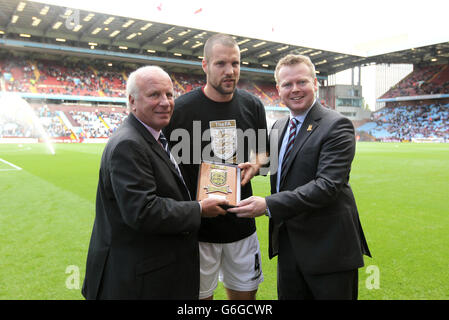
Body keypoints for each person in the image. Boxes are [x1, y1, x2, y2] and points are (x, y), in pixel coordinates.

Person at [228, 54, 371, 300]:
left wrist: (268, 205)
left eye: (301, 82)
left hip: (329, 249)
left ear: (315, 84)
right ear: (278, 90)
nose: (295, 89)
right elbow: (288, 160)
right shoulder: (281, 125)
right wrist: (258, 166)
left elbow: (327, 186)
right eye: (287, 84)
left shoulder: (337, 125)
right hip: (289, 245)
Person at [82, 66, 227, 300]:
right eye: (154, 95)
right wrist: (199, 209)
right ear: (132, 101)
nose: (165, 102)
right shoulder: (128, 144)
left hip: (152, 274)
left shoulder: (152, 136)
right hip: (139, 282)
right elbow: (143, 211)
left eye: (169, 95)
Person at [164, 34, 268, 300]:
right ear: (205, 65)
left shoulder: (252, 105)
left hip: (242, 225)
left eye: (235, 63)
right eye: (221, 63)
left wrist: (255, 165)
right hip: (197, 231)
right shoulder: (180, 110)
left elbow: (264, 152)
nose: (230, 71)